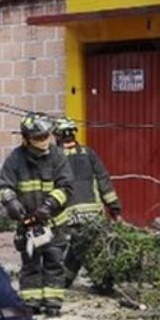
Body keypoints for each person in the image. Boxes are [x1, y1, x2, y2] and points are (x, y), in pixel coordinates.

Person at [0, 112, 73, 316]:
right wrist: (10, 201)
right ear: (27, 139)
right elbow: (2, 185)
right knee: (30, 263)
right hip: (27, 223)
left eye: (46, 136)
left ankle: (53, 303)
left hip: (53, 222)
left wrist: (49, 205)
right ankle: (31, 302)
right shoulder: (16, 159)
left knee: (54, 261)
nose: (44, 141)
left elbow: (66, 187)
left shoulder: (57, 157)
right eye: (38, 138)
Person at [51, 117, 122, 289]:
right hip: (93, 211)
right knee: (84, 245)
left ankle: (100, 281)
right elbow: (104, 181)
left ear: (57, 136)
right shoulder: (89, 153)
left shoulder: (54, 157)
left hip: (70, 212)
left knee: (80, 245)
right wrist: (115, 209)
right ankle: (80, 280)